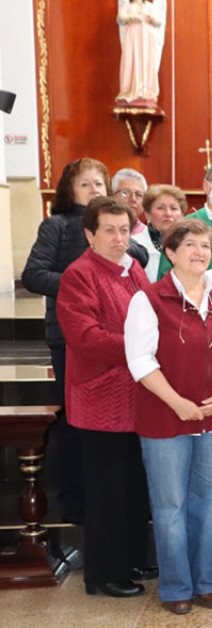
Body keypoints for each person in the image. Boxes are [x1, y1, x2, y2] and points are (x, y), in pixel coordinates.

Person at [125, 219, 212, 615]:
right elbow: (139, 360)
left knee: (211, 503)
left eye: (205, 245)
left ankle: (207, 584)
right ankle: (176, 587)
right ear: (171, 252)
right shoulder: (148, 299)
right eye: (190, 245)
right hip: (166, 416)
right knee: (170, 505)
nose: (199, 251)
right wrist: (177, 402)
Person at [57, 196, 153, 598]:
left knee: (134, 486)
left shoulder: (133, 270)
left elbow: (155, 313)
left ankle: (131, 558)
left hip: (138, 398)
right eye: (109, 230)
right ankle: (103, 573)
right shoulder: (79, 275)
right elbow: (86, 339)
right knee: (107, 492)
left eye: (123, 230)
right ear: (89, 234)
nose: (118, 238)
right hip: (101, 400)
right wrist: (142, 345)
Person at [23, 158, 110, 524]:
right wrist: (82, 284)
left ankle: (108, 496)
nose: (94, 191)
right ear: (69, 191)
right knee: (75, 421)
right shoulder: (56, 226)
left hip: (112, 339)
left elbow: (134, 258)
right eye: (86, 184)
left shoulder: (115, 227)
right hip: (68, 339)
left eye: (100, 184)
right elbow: (34, 274)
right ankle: (74, 502)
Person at [132, 184, 185, 282]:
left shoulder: (191, 245)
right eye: (160, 208)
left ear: (182, 215)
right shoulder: (135, 245)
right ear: (147, 214)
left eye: (173, 208)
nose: (168, 214)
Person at [116, 0, 165, 105]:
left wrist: (150, 17)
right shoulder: (128, 5)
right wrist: (133, 17)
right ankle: (131, 89)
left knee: (146, 60)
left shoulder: (148, 6)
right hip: (133, 35)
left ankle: (145, 89)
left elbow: (159, 21)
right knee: (131, 59)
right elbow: (120, 18)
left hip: (146, 37)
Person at [112, 167, 148, 234]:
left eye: (138, 195)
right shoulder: (98, 229)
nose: (133, 199)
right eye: (125, 193)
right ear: (111, 195)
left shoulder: (150, 237)